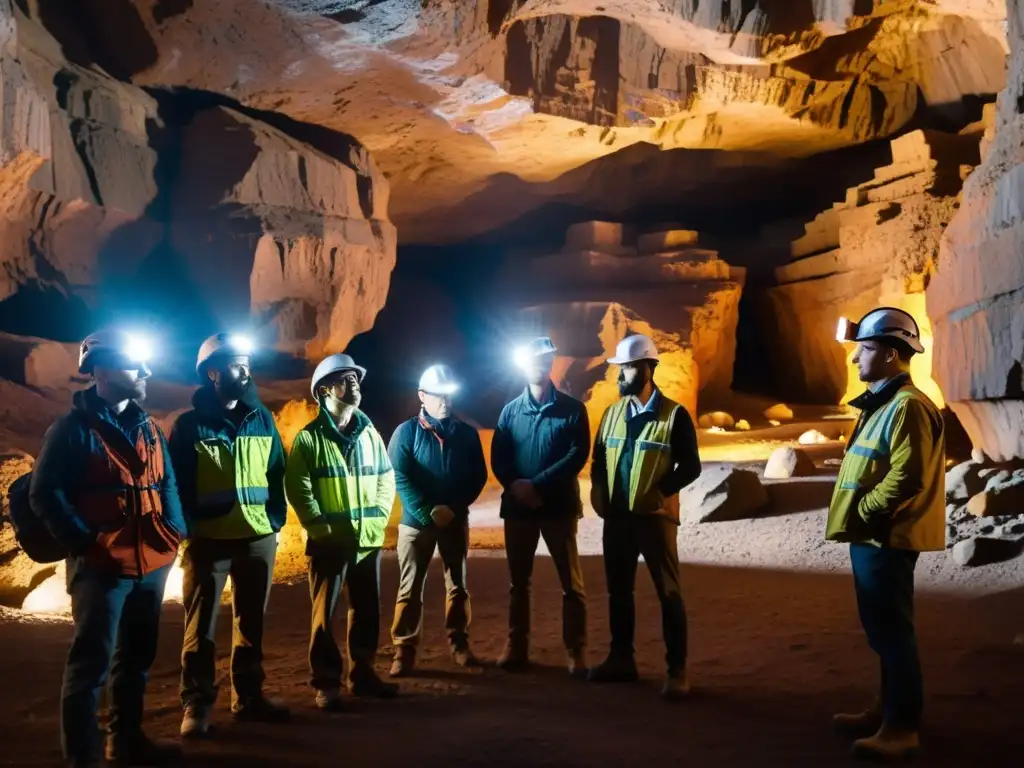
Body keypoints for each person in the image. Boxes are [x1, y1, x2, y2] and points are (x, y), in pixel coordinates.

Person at [29, 329, 185, 767]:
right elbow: (45, 493)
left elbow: (166, 482)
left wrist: (174, 535)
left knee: (136, 657)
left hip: (152, 562)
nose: (146, 372)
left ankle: (126, 739)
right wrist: (85, 544)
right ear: (100, 369)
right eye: (134, 364)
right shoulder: (72, 430)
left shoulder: (149, 429)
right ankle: (85, 757)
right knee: (90, 665)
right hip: (102, 567)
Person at [828, 308, 945, 760]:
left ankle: (901, 727)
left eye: (867, 349)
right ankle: (886, 708)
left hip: (886, 537)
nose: (857, 358)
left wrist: (866, 512)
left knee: (893, 633)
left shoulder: (907, 407)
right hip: (873, 535)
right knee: (882, 631)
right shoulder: (884, 404)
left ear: (893, 355)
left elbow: (906, 477)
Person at [168, 333, 289, 738]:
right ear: (214, 372)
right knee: (200, 627)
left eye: (248, 363)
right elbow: (177, 483)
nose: (246, 371)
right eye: (237, 365)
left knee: (250, 624)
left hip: (257, 538)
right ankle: (197, 704)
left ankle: (249, 697)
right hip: (209, 539)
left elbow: (276, 471)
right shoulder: (188, 426)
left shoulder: (263, 419)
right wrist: (190, 529)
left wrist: (274, 519)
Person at [588, 334, 701, 700]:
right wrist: (599, 493)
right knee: (619, 591)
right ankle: (622, 660)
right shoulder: (612, 414)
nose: (622, 375)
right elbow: (599, 460)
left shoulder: (674, 415)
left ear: (649, 369)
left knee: (668, 593)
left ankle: (677, 670)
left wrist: (660, 491)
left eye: (629, 367)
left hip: (655, 520)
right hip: (617, 519)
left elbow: (692, 467)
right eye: (621, 368)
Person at [285, 353, 398, 710]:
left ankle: (362, 674)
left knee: (366, 610)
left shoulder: (370, 434)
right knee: (325, 616)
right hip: (328, 543)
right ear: (322, 392)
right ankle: (326, 681)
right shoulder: (309, 439)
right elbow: (298, 487)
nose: (354, 385)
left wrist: (378, 518)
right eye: (345, 379)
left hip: (366, 539)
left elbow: (385, 478)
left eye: (355, 379)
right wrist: (319, 527)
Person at [491, 336, 590, 676]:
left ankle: (576, 650)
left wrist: (537, 484)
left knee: (571, 584)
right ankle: (516, 645)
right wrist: (517, 487)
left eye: (545, 358)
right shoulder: (510, 412)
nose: (539, 364)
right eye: (533, 359)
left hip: (558, 506)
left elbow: (576, 456)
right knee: (518, 582)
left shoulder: (573, 410)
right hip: (519, 510)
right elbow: (499, 458)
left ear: (551, 363)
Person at [387, 364, 488, 676]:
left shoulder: (466, 434)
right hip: (416, 524)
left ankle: (459, 642)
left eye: (449, 395)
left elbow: (477, 476)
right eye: (438, 395)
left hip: (454, 522)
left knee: (457, 585)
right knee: (410, 587)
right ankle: (404, 649)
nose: (445, 401)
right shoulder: (406, 433)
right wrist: (426, 510)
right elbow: (399, 476)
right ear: (422, 396)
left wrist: (454, 509)